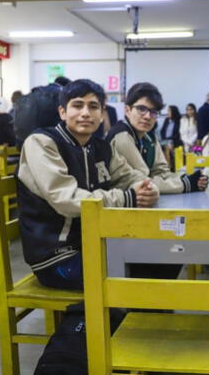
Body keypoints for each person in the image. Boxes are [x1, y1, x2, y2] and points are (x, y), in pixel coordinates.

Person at [17, 79, 159, 290]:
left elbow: (130, 177)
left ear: (102, 115)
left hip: (97, 242)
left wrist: (148, 188)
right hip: (57, 256)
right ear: (62, 112)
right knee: (132, 276)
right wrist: (128, 197)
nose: (86, 113)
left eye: (93, 107)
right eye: (77, 105)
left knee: (160, 259)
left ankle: (124, 318)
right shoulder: (42, 143)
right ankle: (88, 321)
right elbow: (65, 199)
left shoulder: (100, 147)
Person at [107, 82, 208, 195]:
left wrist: (186, 178)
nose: (147, 116)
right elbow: (143, 181)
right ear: (127, 110)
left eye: (153, 112)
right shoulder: (122, 136)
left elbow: (162, 172)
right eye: (141, 109)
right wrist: (185, 184)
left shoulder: (149, 136)